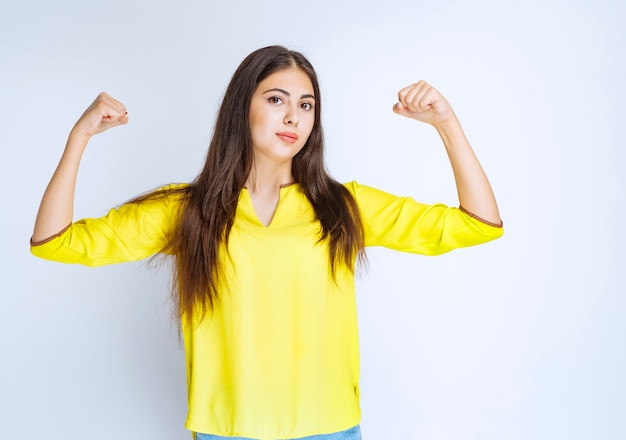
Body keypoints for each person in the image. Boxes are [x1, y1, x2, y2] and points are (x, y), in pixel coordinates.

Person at [30, 45, 503, 439]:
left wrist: (447, 124)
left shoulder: (344, 206)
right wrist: (80, 137)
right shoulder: (190, 211)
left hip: (329, 428)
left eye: (306, 105)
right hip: (226, 429)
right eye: (276, 99)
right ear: (244, 106)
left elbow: (479, 223)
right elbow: (55, 242)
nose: (293, 116)